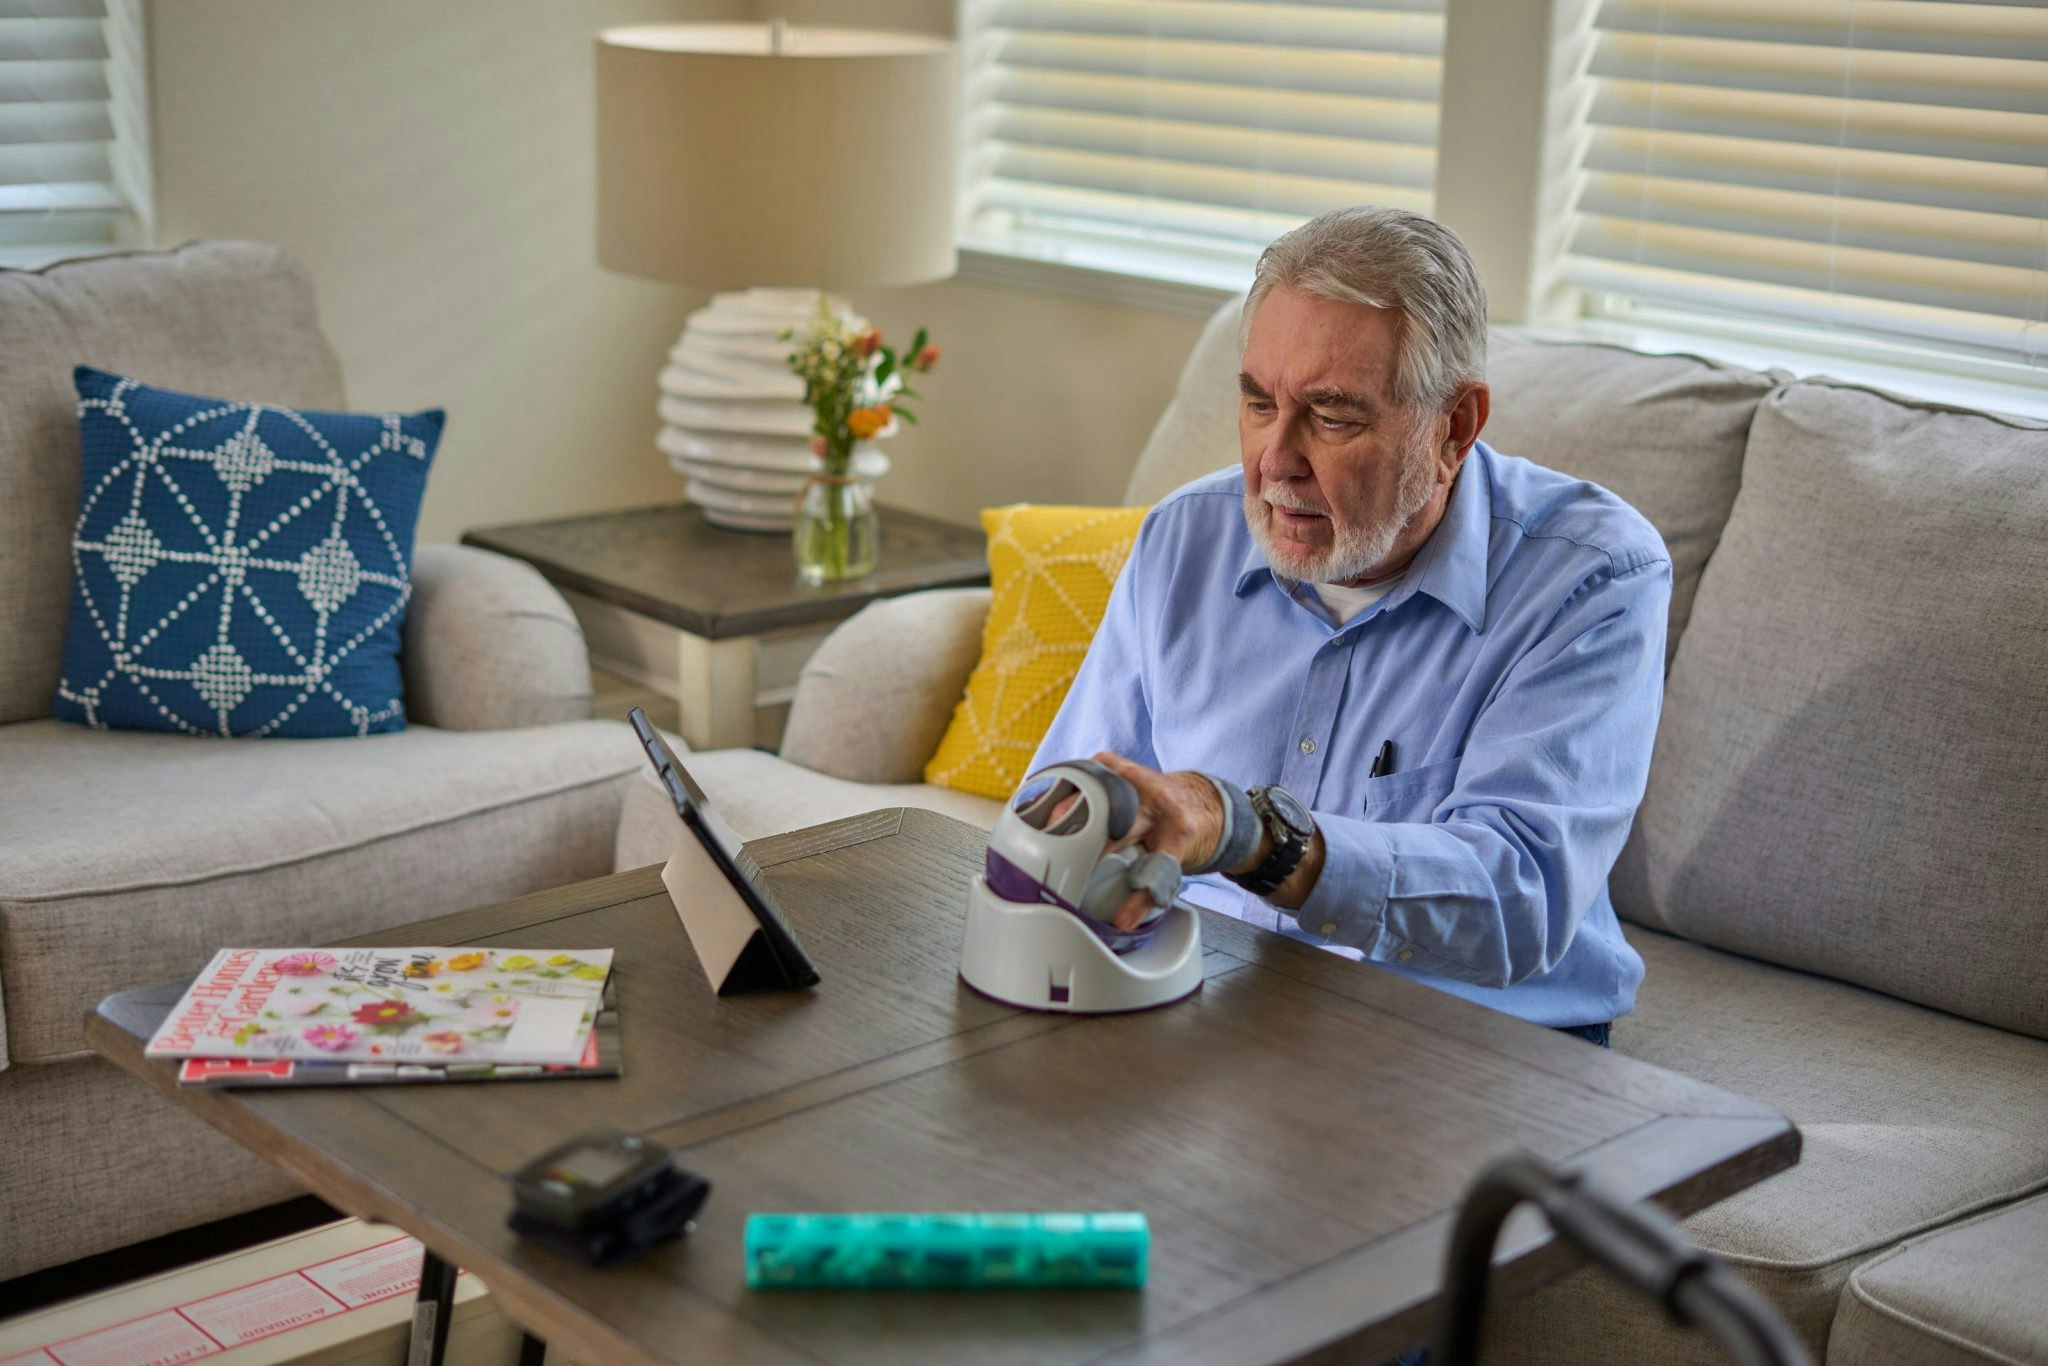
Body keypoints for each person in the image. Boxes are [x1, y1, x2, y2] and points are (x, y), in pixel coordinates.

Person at [1027, 205, 1671, 1040]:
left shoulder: (1592, 579)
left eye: (1333, 418)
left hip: (1466, 1033)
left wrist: (1254, 837)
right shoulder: (1185, 538)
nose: (1276, 462)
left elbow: (1517, 901)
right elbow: (1070, 800)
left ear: (1455, 427)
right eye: (1260, 405)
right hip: (1218, 993)